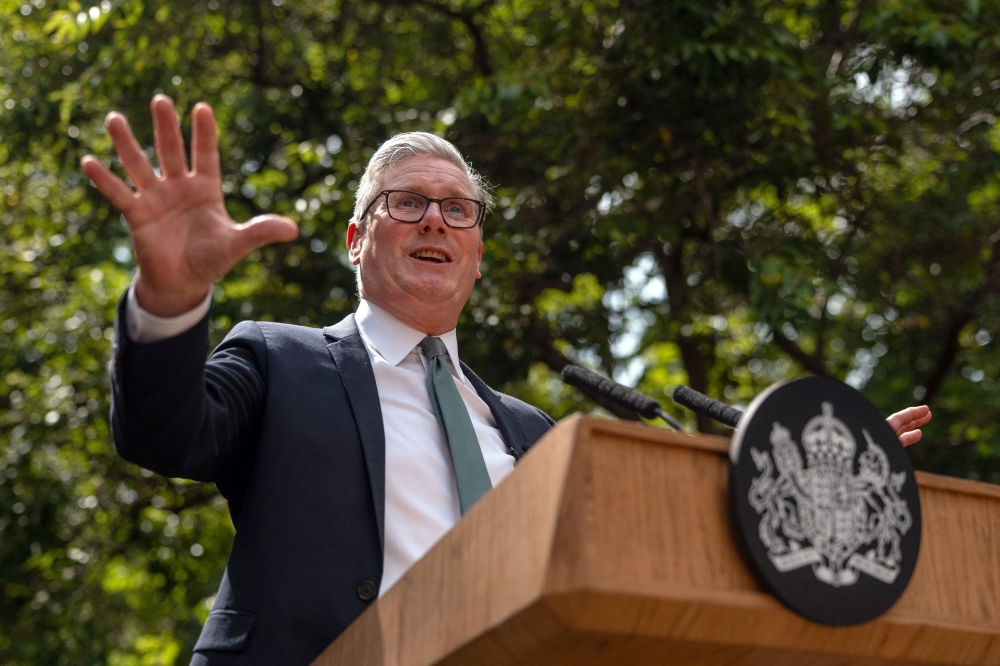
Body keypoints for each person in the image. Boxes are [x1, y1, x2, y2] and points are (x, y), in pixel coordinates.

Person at [81, 95, 932, 664]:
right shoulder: (281, 360)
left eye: (460, 209)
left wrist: (826, 476)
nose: (436, 221)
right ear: (355, 238)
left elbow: (667, 543)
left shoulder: (531, 433)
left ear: (477, 253)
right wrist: (170, 296)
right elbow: (163, 433)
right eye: (406, 203)